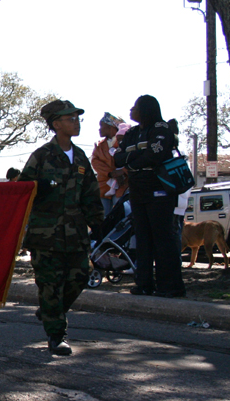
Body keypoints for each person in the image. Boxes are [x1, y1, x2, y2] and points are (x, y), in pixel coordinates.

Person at [19, 100, 104, 356]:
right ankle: (56, 335)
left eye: (77, 118)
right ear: (56, 125)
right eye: (70, 119)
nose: (75, 122)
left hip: (75, 233)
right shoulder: (42, 155)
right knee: (50, 284)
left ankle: (49, 311)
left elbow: (90, 193)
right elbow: (22, 189)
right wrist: (38, 188)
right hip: (46, 235)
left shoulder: (79, 157)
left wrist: (98, 223)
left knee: (78, 278)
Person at [114, 95, 185, 298]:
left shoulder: (161, 129)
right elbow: (117, 158)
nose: (131, 109)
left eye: (135, 107)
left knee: (162, 238)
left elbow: (155, 155)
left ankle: (170, 286)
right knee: (142, 238)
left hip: (159, 190)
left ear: (145, 109)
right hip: (137, 190)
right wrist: (136, 158)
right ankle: (144, 284)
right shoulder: (133, 132)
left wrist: (132, 161)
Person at [91, 112, 130, 216]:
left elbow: (132, 160)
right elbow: (95, 161)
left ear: (110, 127)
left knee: (120, 215)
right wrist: (111, 173)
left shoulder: (125, 143)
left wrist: (122, 172)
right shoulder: (100, 146)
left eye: (101, 126)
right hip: (104, 186)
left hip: (123, 185)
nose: (99, 129)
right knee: (103, 218)